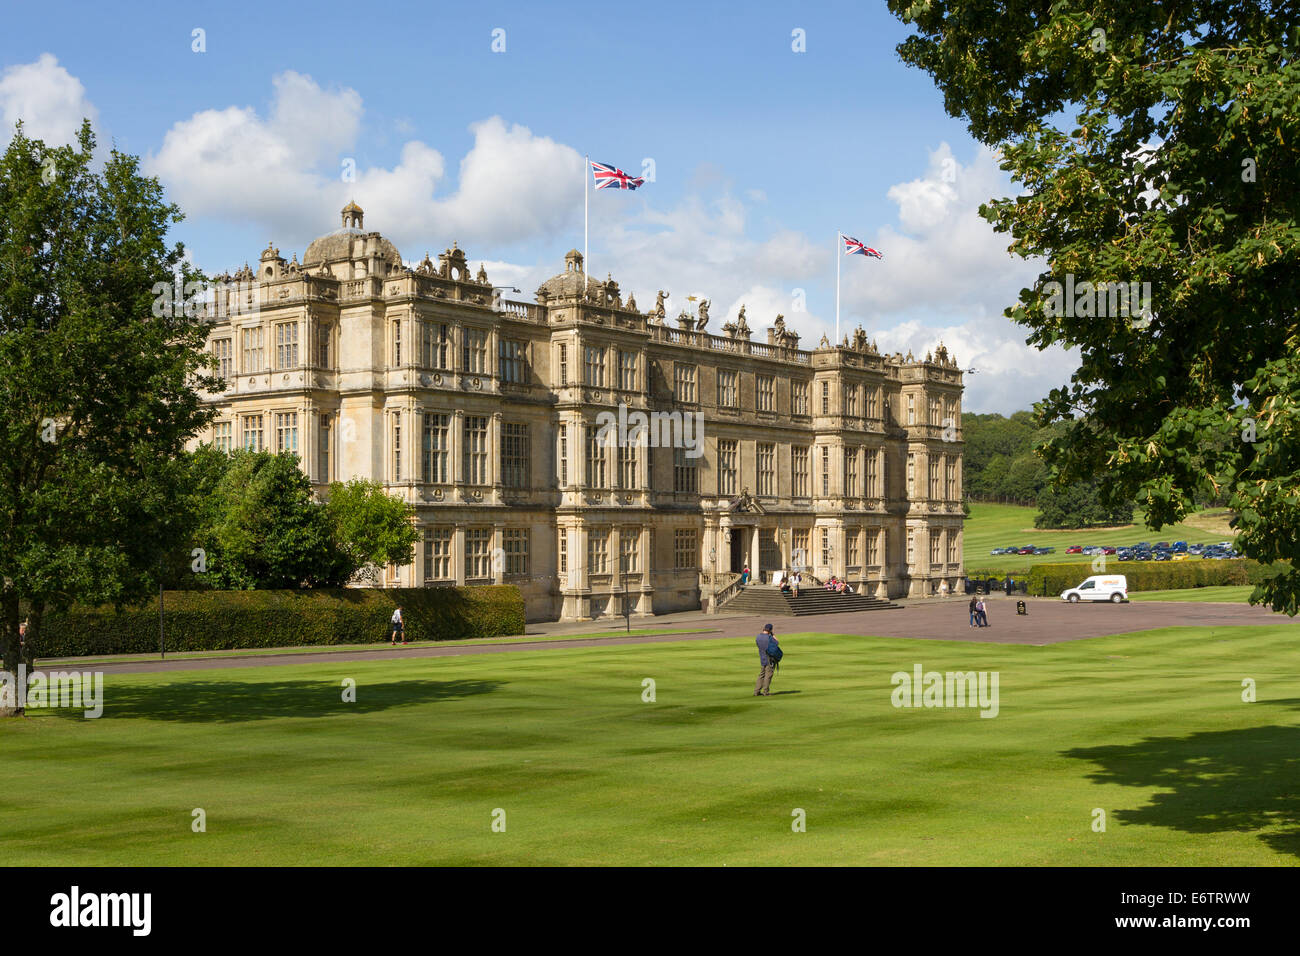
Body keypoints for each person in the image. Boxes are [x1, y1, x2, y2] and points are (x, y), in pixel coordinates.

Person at [754, 623, 780, 696]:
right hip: (769, 659)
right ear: (770, 630)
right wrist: (773, 634)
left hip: (762, 658)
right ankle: (766, 692)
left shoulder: (758, 637)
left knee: (761, 675)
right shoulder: (769, 638)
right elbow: (777, 642)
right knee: (768, 676)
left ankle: (756, 691)